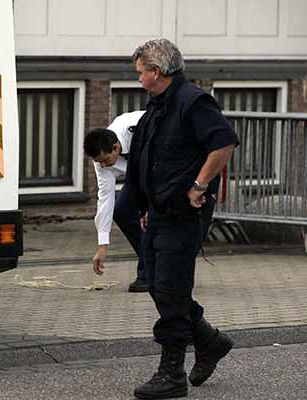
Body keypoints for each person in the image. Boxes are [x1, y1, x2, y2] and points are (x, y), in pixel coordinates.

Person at [126, 38, 239, 399]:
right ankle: (209, 341)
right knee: (158, 286)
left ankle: (172, 373)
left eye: (140, 72)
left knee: (172, 291)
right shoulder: (157, 106)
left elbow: (224, 142)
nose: (138, 78)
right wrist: (145, 206)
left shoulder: (194, 101)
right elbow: (152, 160)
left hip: (183, 215)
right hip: (157, 212)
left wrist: (199, 185)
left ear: (156, 71)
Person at [83, 111, 149, 292]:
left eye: (106, 160)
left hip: (164, 170)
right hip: (138, 176)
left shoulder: (140, 130)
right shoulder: (101, 160)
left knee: (153, 218)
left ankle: (148, 273)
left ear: (116, 147)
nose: (104, 166)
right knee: (121, 210)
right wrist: (102, 245)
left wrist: (149, 208)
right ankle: (152, 260)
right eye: (99, 162)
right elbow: (105, 199)